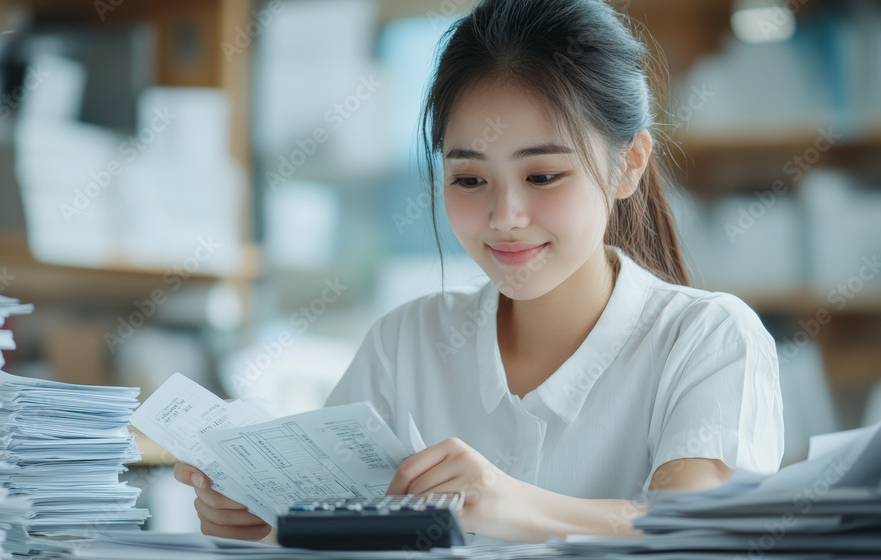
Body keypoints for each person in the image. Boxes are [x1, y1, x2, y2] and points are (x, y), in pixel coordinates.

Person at [174, 0, 784, 545]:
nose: (505, 217)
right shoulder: (404, 343)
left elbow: (704, 529)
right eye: (469, 179)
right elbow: (335, 528)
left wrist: (513, 504)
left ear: (629, 165)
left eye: (543, 176)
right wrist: (265, 518)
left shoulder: (709, 338)